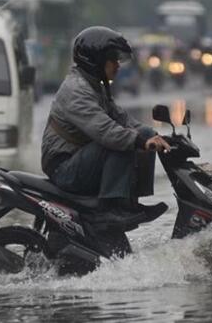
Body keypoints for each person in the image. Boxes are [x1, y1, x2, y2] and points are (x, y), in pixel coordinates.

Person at [41, 26, 170, 217]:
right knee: (122, 142)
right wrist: (140, 142)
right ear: (96, 60)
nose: (118, 65)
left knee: (144, 134)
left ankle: (131, 202)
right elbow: (105, 131)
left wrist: (157, 137)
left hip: (80, 160)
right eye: (113, 60)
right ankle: (111, 206)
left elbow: (123, 119)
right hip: (64, 168)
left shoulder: (95, 86)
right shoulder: (77, 90)